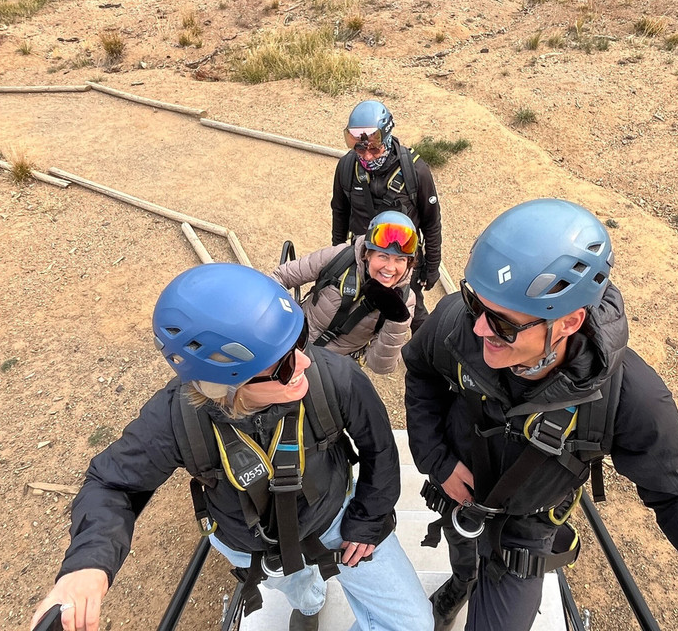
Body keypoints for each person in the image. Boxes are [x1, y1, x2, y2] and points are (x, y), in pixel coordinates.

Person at [403, 199, 678, 631]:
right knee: (462, 551)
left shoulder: (629, 396)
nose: (479, 329)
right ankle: (462, 582)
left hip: (524, 531)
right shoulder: (460, 323)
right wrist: (438, 460)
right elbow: (420, 369)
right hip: (458, 490)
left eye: (504, 324)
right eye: (476, 304)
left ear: (568, 322)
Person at [30, 263, 433, 631]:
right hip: (252, 544)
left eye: (300, 341)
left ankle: (308, 598)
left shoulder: (336, 379)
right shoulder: (176, 417)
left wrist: (366, 520)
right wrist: (86, 565)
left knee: (412, 624)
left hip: (337, 522)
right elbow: (112, 483)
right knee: (299, 590)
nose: (306, 362)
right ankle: (309, 603)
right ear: (226, 386)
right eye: (284, 364)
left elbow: (379, 448)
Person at [332, 99, 442, 333]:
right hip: (362, 256)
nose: (367, 156)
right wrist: (338, 252)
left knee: (414, 313)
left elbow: (431, 223)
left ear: (388, 136)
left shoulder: (416, 171)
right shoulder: (346, 168)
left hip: (400, 260)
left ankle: (429, 357)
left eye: (374, 148)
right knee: (352, 309)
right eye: (359, 148)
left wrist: (432, 266)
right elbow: (339, 212)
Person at [273, 211, 418, 375]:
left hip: (331, 369)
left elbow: (380, 366)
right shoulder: (341, 258)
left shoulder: (405, 300)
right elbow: (281, 277)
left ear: (409, 263)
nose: (390, 268)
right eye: (383, 256)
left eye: (400, 259)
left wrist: (396, 319)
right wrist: (282, 320)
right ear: (367, 254)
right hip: (293, 340)